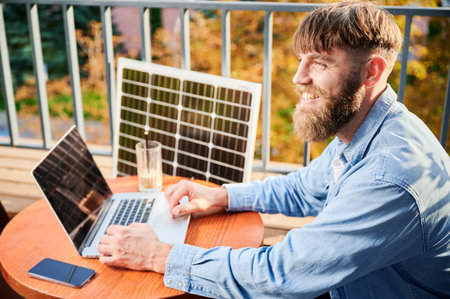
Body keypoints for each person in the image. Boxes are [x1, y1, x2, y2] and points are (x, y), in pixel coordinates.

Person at [97, 1, 450, 298]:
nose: (298, 77)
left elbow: (281, 276)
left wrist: (158, 255)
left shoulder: (390, 176)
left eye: (320, 63)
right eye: (300, 60)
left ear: (371, 72)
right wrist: (220, 197)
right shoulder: (365, 131)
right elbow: (303, 188)